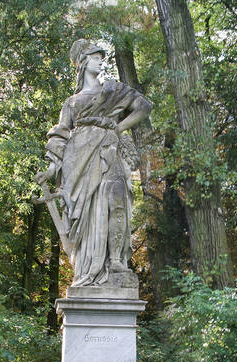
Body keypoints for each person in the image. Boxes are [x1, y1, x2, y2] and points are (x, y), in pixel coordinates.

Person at [35, 39, 152, 287]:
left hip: (110, 151)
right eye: (96, 56)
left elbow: (143, 107)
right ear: (83, 61)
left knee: (118, 199)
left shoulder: (113, 91)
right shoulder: (71, 102)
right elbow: (60, 136)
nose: (101, 60)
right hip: (79, 160)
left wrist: (118, 128)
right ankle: (90, 268)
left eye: (101, 56)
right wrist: (51, 169)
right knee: (88, 214)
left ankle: (116, 262)